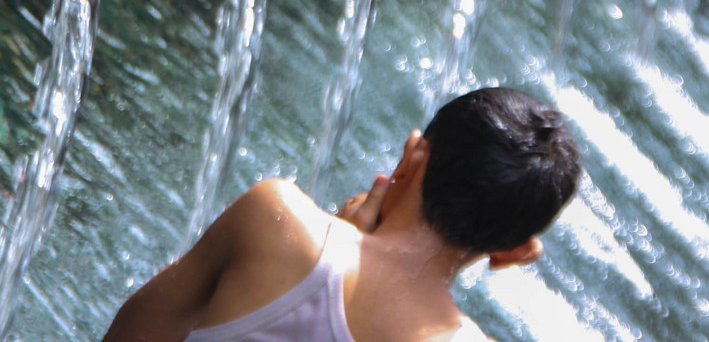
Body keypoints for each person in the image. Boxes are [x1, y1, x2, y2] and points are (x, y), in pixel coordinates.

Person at [100, 87, 582, 342]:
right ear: (515, 251)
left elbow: (132, 335)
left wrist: (338, 242)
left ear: (412, 159)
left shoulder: (277, 222)